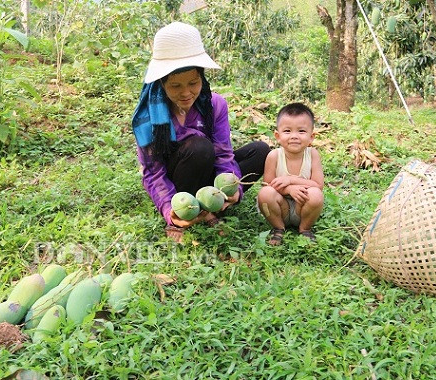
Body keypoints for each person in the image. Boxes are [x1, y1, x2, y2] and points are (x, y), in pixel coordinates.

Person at [132, 22, 269, 243]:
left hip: (207, 175)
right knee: (199, 147)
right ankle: (193, 214)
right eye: (176, 86)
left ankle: (213, 206)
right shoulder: (149, 117)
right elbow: (153, 172)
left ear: (202, 78)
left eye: (193, 83)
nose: (186, 93)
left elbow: (224, 155)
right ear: (162, 84)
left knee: (261, 151)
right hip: (178, 184)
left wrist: (232, 187)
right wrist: (169, 209)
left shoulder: (215, 105)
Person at [257, 103, 324, 245]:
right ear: (278, 136)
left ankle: (305, 228)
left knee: (316, 194)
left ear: (311, 137)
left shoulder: (312, 155)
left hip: (303, 208)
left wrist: (290, 180)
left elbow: (318, 184)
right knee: (264, 194)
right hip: (280, 209)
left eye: (301, 131)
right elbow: (267, 184)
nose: (294, 136)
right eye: (287, 131)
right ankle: (278, 227)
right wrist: (289, 189)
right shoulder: (274, 156)